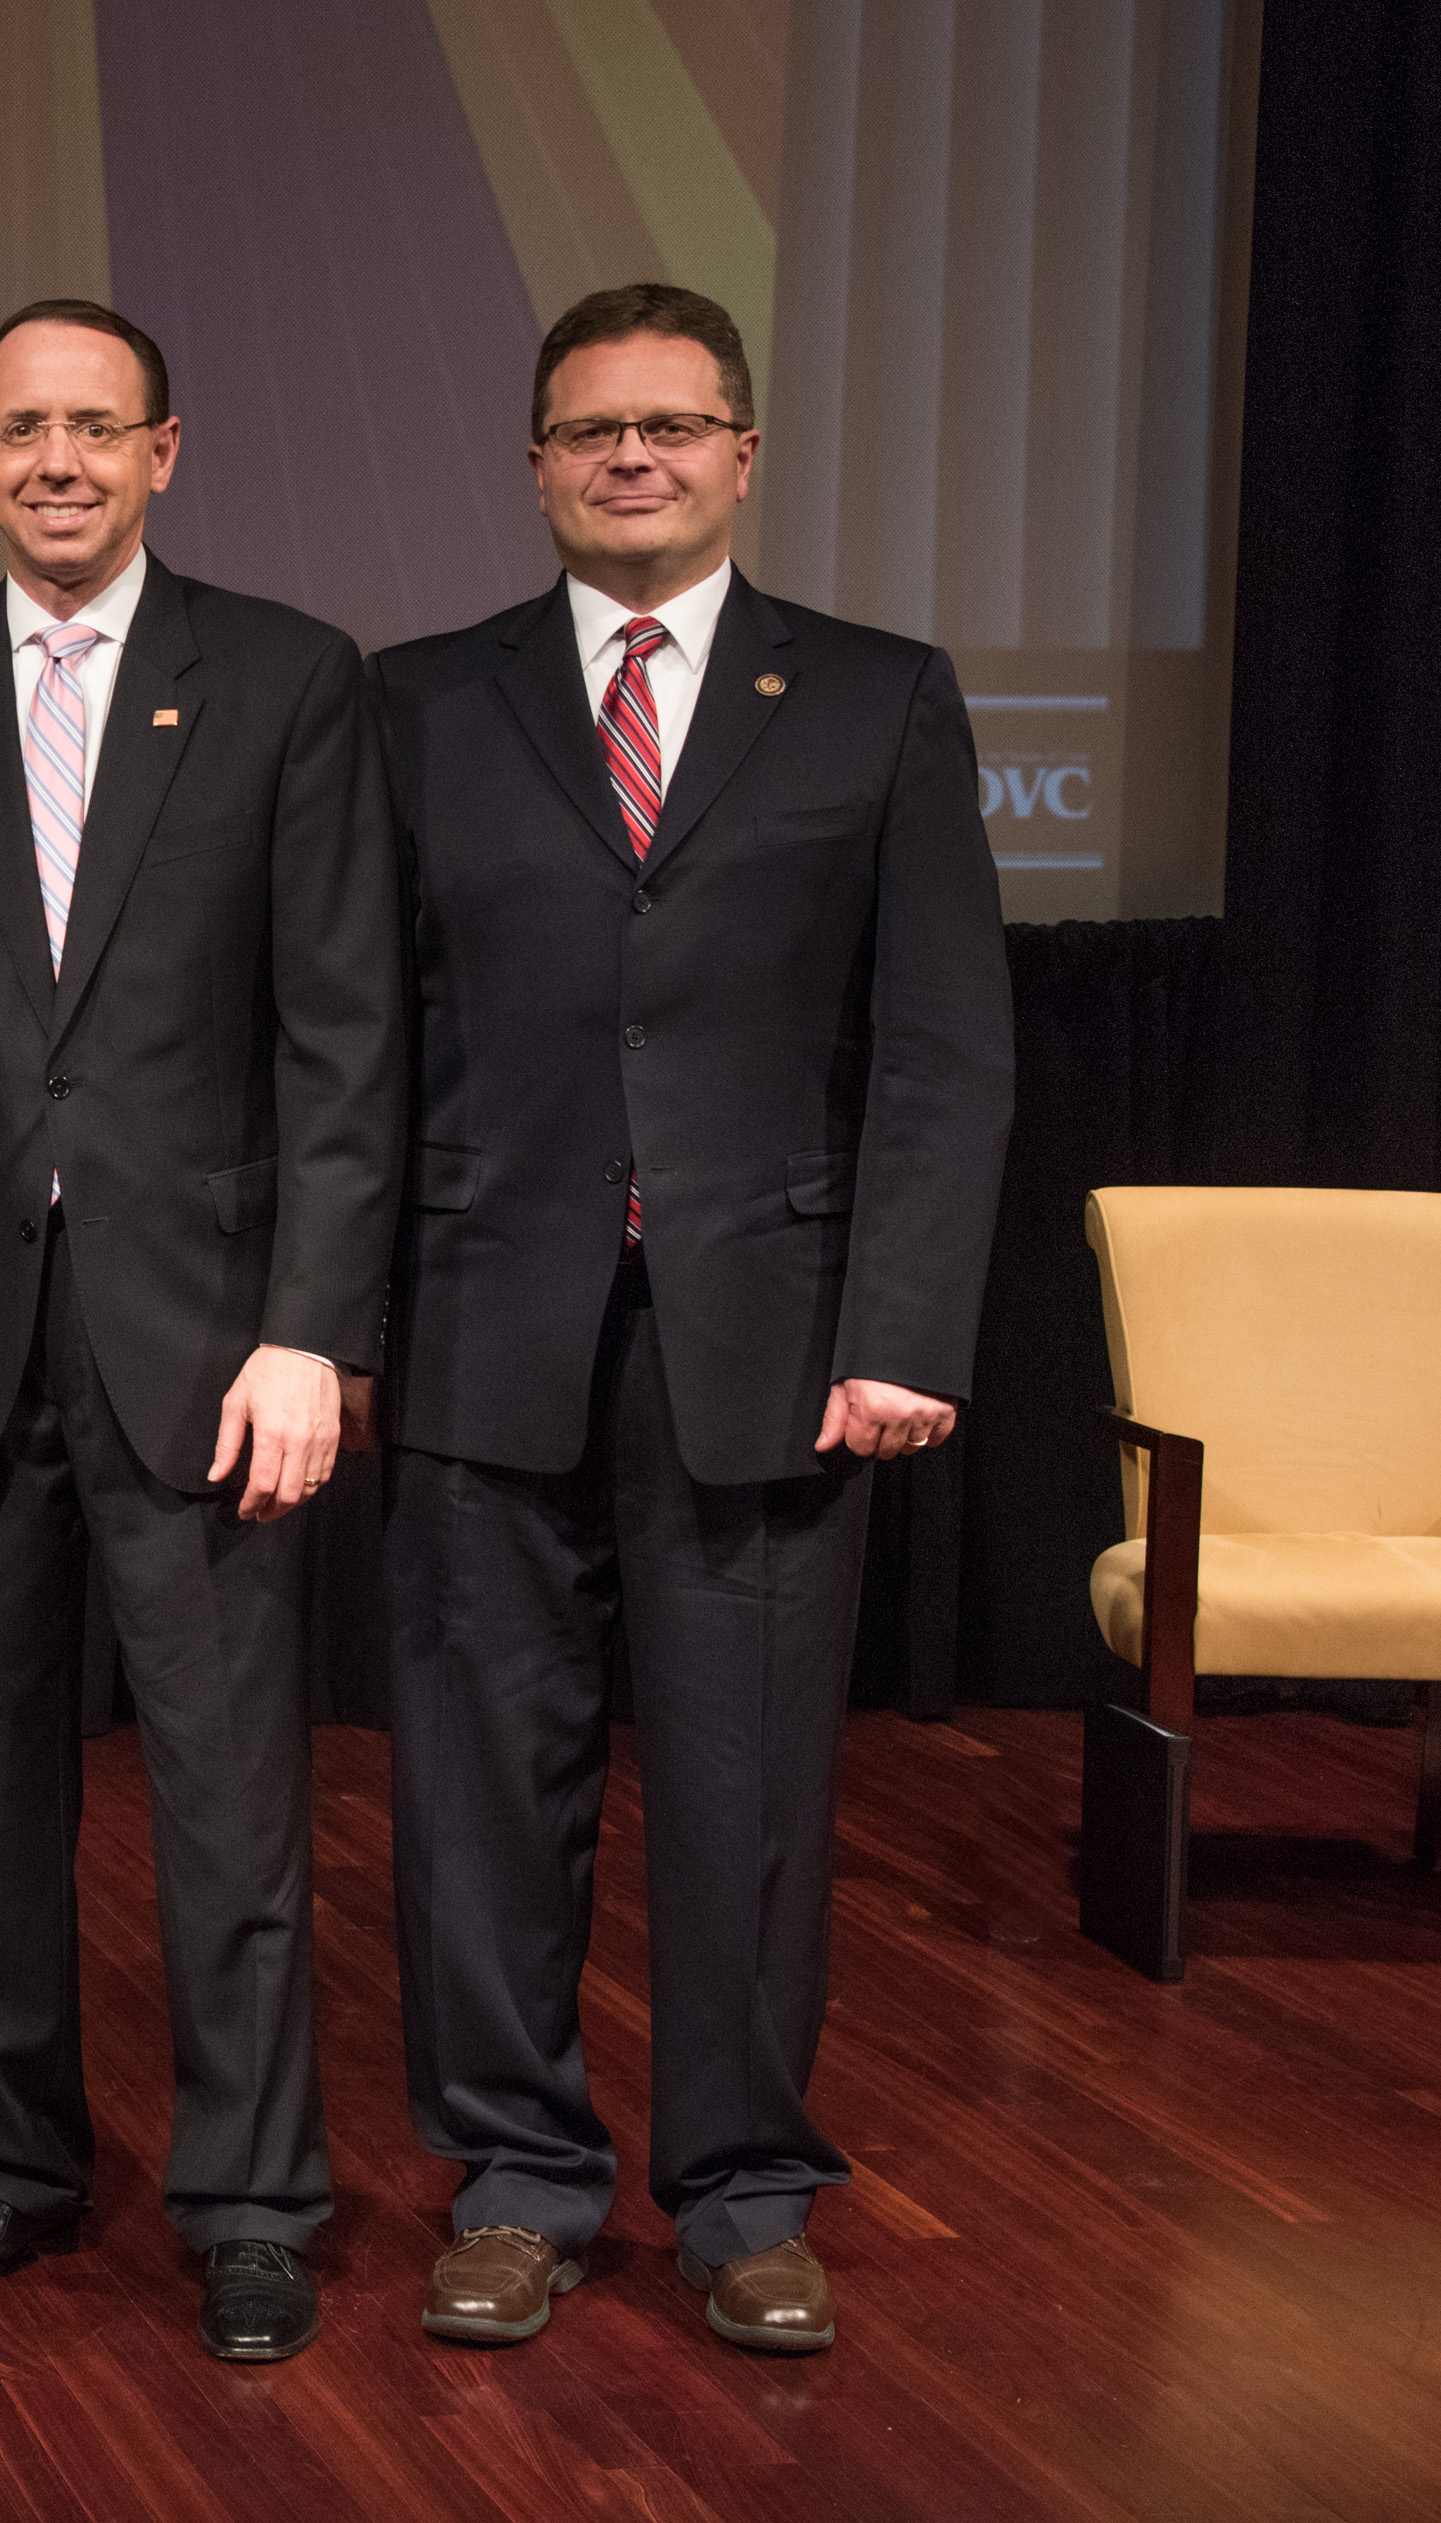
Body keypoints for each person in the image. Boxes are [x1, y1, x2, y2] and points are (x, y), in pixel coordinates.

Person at [373, 284, 1013, 2356]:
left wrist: (902, 1323)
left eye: (670, 426)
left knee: (744, 1790)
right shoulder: (418, 701)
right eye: (589, 431)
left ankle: (744, 2190)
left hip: (770, 1334)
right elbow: (352, 1045)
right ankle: (515, 2176)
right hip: (481, 1317)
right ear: (535, 461)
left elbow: (936, 1047)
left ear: (742, 452)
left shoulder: (873, 696)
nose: (629, 459)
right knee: (482, 1782)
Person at [0, 299, 402, 2363]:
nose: (58, 459)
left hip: (211, 1349)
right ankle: (11, 2166)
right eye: (20, 428)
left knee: (232, 1800)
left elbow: (342, 1038)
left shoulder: (287, 680)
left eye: (96, 427)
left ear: (163, 451)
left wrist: (313, 1327)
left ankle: (247, 2199)